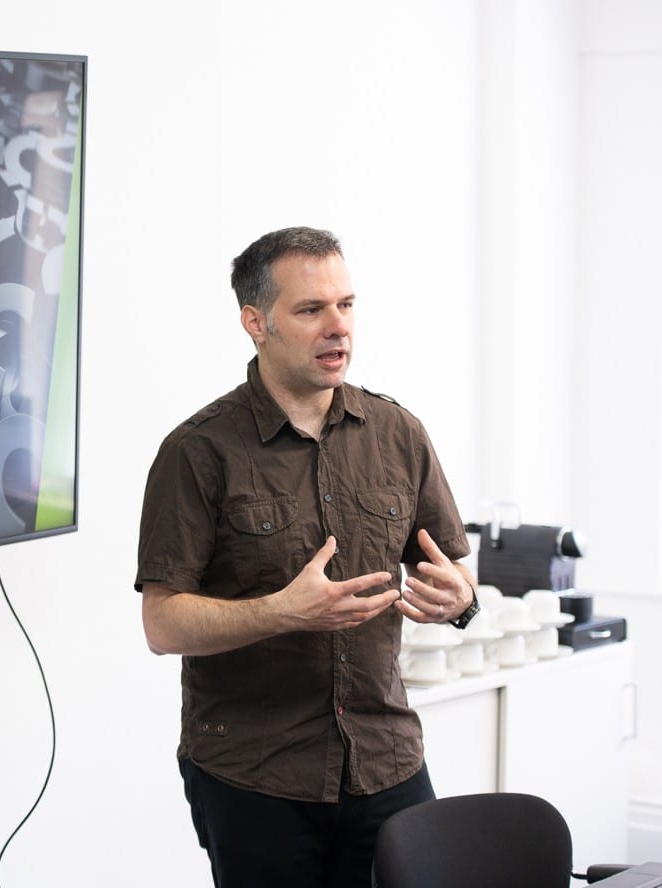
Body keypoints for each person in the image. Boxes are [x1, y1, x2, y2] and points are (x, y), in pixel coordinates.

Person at [134, 226, 480, 888]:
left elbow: (454, 571)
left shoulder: (399, 434)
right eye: (311, 309)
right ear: (255, 322)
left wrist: (461, 598)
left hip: (386, 759)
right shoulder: (197, 452)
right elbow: (162, 623)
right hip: (256, 776)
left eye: (346, 305)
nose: (337, 326)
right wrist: (281, 612)